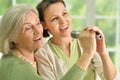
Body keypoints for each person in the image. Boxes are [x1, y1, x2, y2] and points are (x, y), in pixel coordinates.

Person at [0, 3, 109, 80]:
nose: (37, 31)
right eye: (28, 28)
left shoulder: (22, 53)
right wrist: (87, 53)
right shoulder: (19, 68)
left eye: (37, 23)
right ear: (12, 37)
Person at [35, 0, 118, 80]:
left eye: (64, 13)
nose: (63, 21)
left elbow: (112, 78)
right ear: (44, 24)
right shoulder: (42, 56)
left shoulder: (86, 40)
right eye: (54, 19)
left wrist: (102, 52)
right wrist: (87, 53)